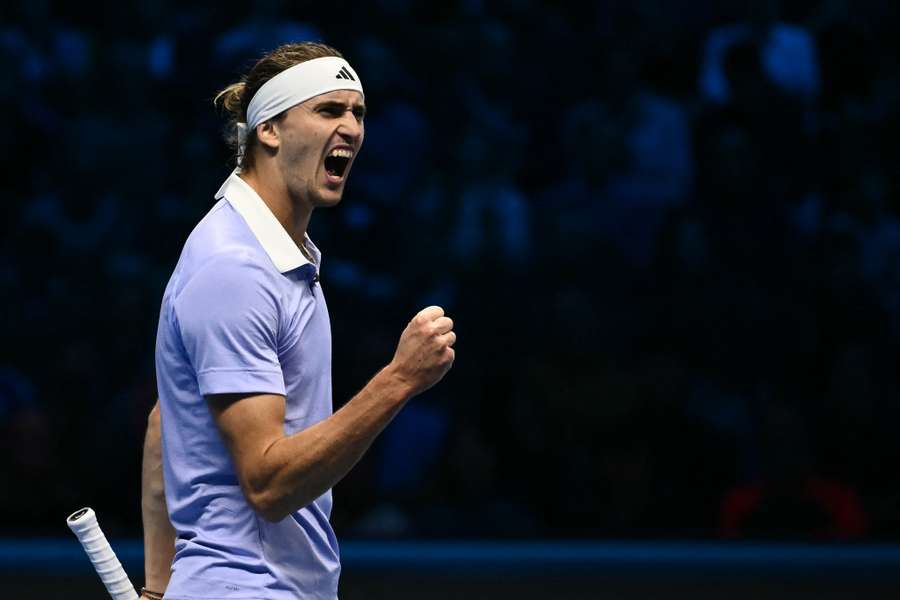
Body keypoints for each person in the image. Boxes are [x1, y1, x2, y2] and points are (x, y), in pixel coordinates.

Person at [139, 42, 456, 600]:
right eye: (329, 110)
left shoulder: (272, 254)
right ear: (269, 130)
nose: (352, 128)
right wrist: (399, 380)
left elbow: (168, 422)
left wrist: (159, 590)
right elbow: (268, 484)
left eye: (358, 113)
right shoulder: (235, 269)